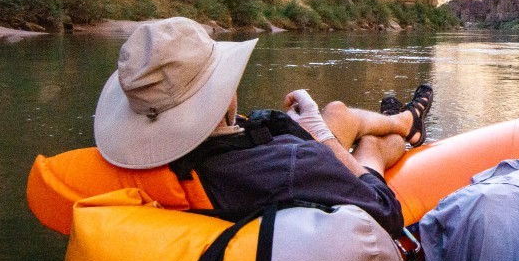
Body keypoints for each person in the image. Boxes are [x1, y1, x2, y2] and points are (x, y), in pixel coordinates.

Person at [92, 17, 433, 238]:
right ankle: (405, 125)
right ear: (224, 96)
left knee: (338, 111)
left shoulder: (151, 166)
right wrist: (322, 139)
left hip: (238, 176)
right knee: (373, 144)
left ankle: (404, 120)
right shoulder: (291, 164)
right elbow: (386, 212)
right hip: (285, 179)